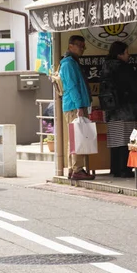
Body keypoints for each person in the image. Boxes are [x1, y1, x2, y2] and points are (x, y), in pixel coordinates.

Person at [100, 41, 137, 177]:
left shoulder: (105, 68)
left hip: (111, 111)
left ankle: (115, 169)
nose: (128, 55)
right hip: (126, 110)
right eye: (126, 52)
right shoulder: (124, 68)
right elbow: (135, 88)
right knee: (126, 140)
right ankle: (125, 169)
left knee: (115, 141)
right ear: (119, 54)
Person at [59, 35, 94, 181]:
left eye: (83, 46)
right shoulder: (68, 64)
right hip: (75, 106)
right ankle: (78, 169)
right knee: (78, 137)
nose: (82, 49)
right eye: (79, 45)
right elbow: (72, 87)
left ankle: (72, 169)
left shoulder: (72, 62)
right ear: (70, 46)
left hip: (74, 105)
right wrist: (80, 105)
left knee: (73, 138)